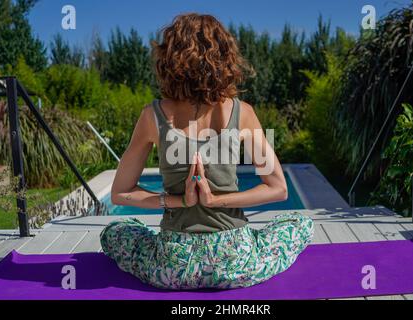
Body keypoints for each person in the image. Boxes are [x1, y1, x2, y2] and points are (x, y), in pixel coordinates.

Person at [100, 13, 314, 290]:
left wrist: (181, 202)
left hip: (173, 266)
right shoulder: (243, 112)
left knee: (115, 231)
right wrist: (215, 201)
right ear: (225, 58)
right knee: (300, 222)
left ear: (170, 60)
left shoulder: (151, 116)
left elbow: (121, 193)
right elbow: (278, 189)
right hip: (236, 262)